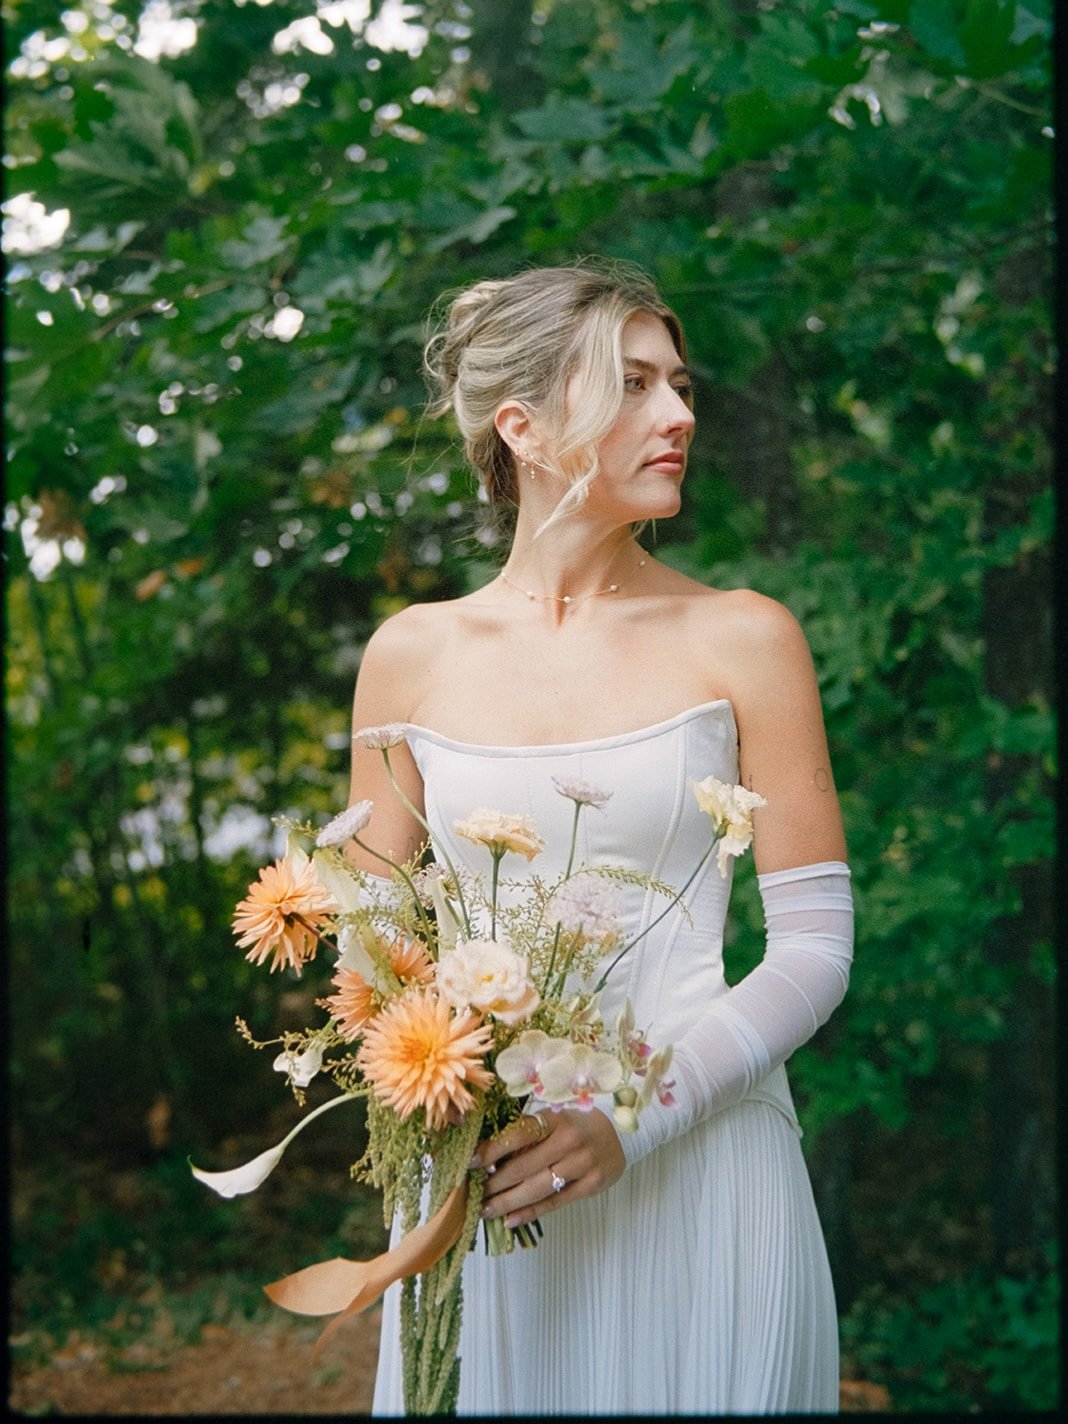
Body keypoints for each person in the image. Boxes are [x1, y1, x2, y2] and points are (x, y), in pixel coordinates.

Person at [348, 260, 854, 1415]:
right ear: (521, 426)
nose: (679, 413)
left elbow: (816, 948)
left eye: (680, 383)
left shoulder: (746, 636)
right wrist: (443, 1086)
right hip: (495, 1190)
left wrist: (632, 1116)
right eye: (631, 383)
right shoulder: (410, 656)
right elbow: (369, 951)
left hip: (708, 1163)